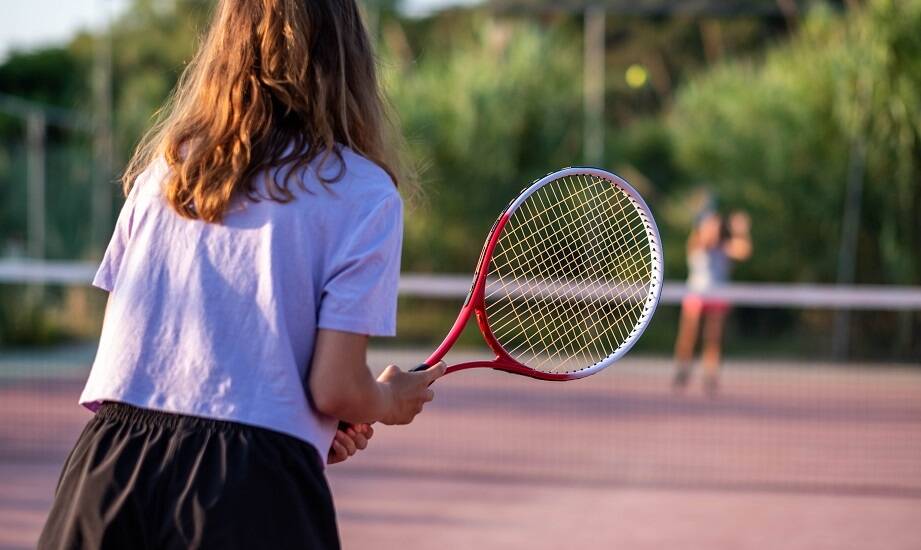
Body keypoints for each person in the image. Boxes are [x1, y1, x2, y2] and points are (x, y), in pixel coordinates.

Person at [39, 2, 444, 548]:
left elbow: (140, 358)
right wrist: (384, 400)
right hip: (252, 489)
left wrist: (299, 426)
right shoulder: (365, 193)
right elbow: (335, 388)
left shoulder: (165, 171)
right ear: (348, 55)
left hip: (109, 467)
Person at [672, 209, 751, 396]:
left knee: (713, 338)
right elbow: (706, 241)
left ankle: (710, 375)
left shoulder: (724, 246)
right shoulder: (696, 241)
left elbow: (744, 251)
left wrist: (740, 231)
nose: (713, 227)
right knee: (689, 336)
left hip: (718, 295)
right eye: (710, 224)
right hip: (696, 294)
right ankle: (682, 370)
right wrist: (709, 229)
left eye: (716, 224)